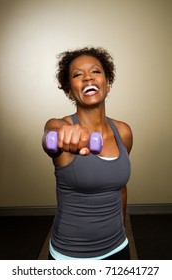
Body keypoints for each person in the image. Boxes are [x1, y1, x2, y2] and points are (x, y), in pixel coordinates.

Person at [42, 47, 133, 260]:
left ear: (107, 84)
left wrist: (121, 228)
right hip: (70, 257)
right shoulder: (63, 127)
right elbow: (50, 134)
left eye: (95, 72)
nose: (87, 78)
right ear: (69, 91)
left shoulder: (124, 132)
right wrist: (61, 133)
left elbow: (120, 188)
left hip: (119, 248)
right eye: (77, 74)